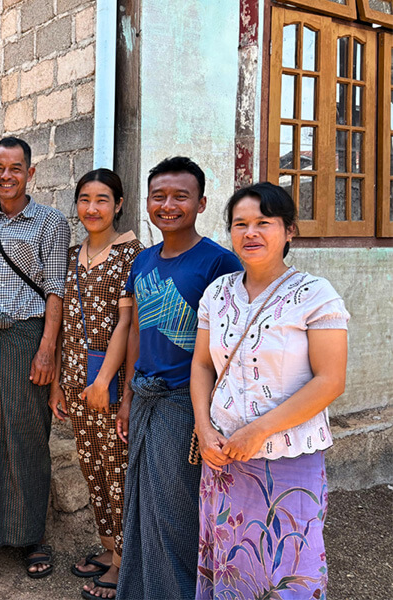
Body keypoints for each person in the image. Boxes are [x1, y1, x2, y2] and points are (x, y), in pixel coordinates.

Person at [191, 182, 348, 599]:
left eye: (264, 223)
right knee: (229, 556)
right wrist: (204, 429)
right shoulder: (217, 293)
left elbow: (330, 380)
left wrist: (259, 431)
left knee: (289, 561)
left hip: (288, 458)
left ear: (289, 231)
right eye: (240, 224)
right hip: (223, 457)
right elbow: (203, 364)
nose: (250, 233)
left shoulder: (315, 295)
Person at [116, 157, 242, 599]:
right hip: (144, 398)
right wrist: (128, 398)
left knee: (177, 511)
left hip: (185, 406)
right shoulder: (143, 260)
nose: (168, 205)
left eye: (180, 196)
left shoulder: (219, 264)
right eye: (159, 196)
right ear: (146, 202)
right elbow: (134, 334)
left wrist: (209, 416)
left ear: (201, 202)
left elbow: (227, 348)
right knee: (142, 506)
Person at [0, 137, 70, 578]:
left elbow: (56, 290)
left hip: (28, 337)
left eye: (16, 168)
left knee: (25, 433)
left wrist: (47, 350)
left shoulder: (51, 222)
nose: (7, 176)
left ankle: (31, 536)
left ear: (31, 173)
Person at [49, 169, 143, 599]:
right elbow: (66, 321)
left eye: (102, 199)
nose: (92, 208)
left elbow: (128, 322)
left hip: (111, 381)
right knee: (93, 469)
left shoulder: (132, 255)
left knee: (118, 469)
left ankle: (126, 561)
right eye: (84, 199)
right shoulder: (70, 255)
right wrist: (59, 386)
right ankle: (108, 549)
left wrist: (106, 382)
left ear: (118, 204)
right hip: (76, 382)